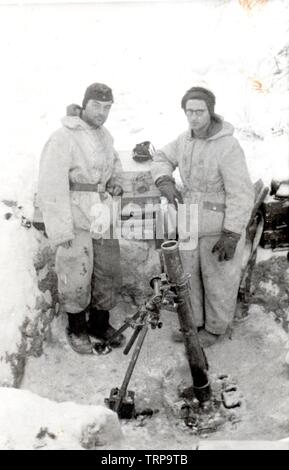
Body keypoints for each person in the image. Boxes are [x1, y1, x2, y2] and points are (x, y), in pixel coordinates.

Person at [151, 86, 254, 347]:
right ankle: (193, 323)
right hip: (188, 221)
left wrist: (232, 232)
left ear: (211, 111)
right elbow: (161, 157)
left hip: (218, 226)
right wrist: (164, 180)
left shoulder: (227, 146)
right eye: (189, 112)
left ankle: (216, 329)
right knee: (188, 277)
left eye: (199, 111)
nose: (194, 117)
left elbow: (241, 192)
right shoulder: (184, 140)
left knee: (218, 279)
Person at [37, 83, 125, 354]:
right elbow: (51, 186)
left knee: (107, 271)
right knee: (76, 271)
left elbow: (115, 164)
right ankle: (76, 327)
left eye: (107, 108)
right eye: (97, 106)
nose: (102, 113)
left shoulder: (106, 135)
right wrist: (61, 230)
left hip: (103, 213)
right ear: (84, 105)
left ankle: (100, 323)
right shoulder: (63, 137)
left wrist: (116, 183)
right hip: (76, 213)